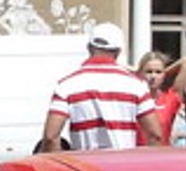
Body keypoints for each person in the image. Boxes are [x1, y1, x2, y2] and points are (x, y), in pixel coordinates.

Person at [41, 22, 159, 150]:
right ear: (118, 51)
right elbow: (154, 135)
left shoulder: (67, 86)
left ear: (89, 48)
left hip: (85, 166)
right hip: (122, 167)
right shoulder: (137, 86)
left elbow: (50, 137)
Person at [136, 50, 186, 146]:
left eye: (158, 72)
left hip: (161, 155)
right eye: (149, 72)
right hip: (136, 155)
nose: (153, 76)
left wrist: (165, 72)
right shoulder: (133, 99)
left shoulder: (170, 98)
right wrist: (135, 72)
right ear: (141, 73)